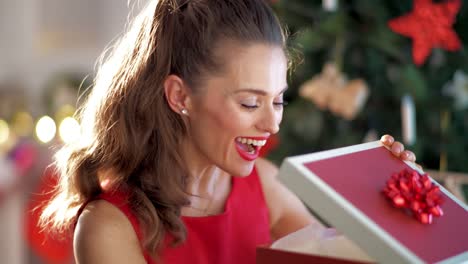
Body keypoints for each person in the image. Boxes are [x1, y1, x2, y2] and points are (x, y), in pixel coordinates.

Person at [39, 0, 418, 263]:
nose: (271, 125)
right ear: (180, 95)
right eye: (250, 103)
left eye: (278, 101)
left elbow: (345, 258)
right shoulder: (107, 227)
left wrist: (388, 207)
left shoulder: (267, 188)